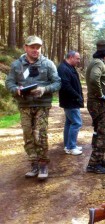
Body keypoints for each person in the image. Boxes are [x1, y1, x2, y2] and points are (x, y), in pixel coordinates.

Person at [5, 35, 61, 180]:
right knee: (28, 135)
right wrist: (15, 89)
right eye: (32, 47)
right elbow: (9, 82)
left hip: (42, 104)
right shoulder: (17, 65)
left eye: (38, 47)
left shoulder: (48, 64)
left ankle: (43, 165)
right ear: (26, 47)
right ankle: (33, 164)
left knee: (40, 134)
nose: (36, 50)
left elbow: (57, 83)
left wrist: (44, 89)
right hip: (24, 105)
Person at [85, 39, 105, 174]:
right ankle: (92, 164)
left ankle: (99, 159)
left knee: (99, 132)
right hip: (101, 105)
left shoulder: (97, 63)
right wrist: (101, 95)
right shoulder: (98, 63)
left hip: (98, 105)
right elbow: (93, 78)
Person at [58, 51, 83, 156]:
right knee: (77, 123)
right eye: (77, 58)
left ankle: (68, 146)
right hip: (70, 101)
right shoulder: (63, 68)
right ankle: (71, 147)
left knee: (69, 123)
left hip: (71, 101)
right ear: (71, 57)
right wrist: (77, 96)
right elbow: (65, 86)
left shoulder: (69, 67)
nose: (79, 61)